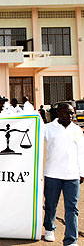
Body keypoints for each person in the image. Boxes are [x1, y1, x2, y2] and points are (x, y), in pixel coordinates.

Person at [43, 103, 84, 246]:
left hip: (72, 175)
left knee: (72, 208)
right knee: (50, 204)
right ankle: (49, 228)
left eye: (72, 113)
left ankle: (71, 240)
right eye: (67, 113)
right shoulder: (48, 129)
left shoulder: (77, 130)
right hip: (52, 174)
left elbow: (81, 152)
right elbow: (34, 144)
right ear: (59, 113)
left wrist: (82, 172)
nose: (71, 116)